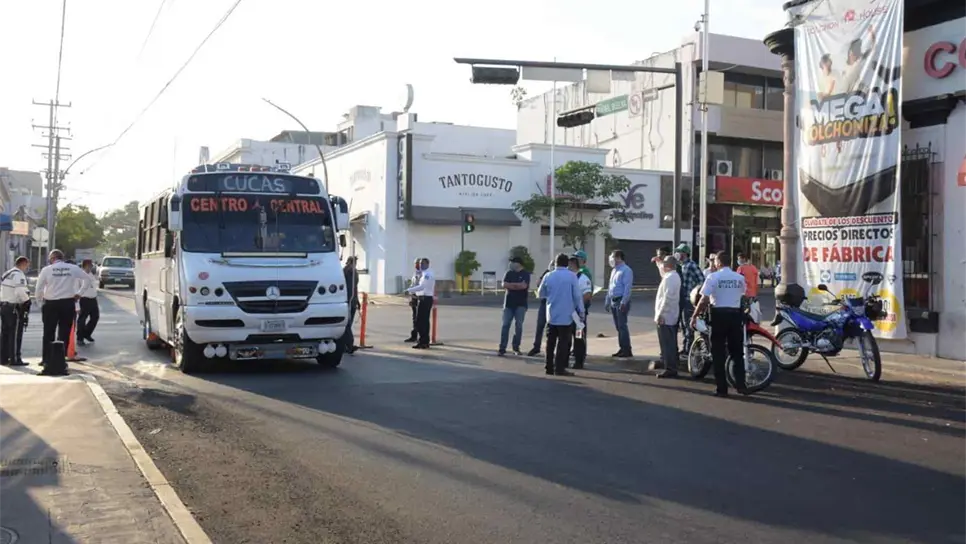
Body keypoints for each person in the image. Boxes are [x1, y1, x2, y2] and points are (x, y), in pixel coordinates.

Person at [690, 251, 748, 397]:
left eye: (715, 261)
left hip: (718, 316)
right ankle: (741, 385)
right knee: (737, 353)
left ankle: (722, 388)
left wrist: (695, 315)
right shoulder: (739, 278)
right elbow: (743, 295)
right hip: (735, 316)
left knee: (718, 353)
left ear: (719, 262)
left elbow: (703, 300)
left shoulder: (713, 277)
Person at [35, 249, 91, 376]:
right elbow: (87, 280)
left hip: (50, 303)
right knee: (64, 333)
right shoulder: (72, 268)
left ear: (52, 258)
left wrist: (40, 303)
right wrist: (79, 294)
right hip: (67, 303)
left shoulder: (47, 270)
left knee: (48, 333)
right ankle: (61, 360)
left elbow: (39, 288)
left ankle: (46, 359)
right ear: (62, 257)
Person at [537, 253, 583, 376]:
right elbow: (577, 296)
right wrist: (578, 309)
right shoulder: (571, 276)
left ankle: (548, 367)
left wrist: (551, 296)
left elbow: (540, 293)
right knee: (563, 343)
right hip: (566, 315)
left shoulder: (548, 275)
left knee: (550, 342)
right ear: (566, 263)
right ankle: (559, 368)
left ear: (555, 263)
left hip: (551, 314)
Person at [674, 244, 704, 357]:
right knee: (683, 325)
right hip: (681, 299)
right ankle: (685, 347)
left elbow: (702, 280)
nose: (677, 254)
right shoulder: (680, 266)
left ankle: (688, 349)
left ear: (685, 253)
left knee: (688, 325)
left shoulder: (691, 265)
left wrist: (695, 292)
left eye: (680, 252)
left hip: (688, 300)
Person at [0, 256, 31, 366]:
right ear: (23, 264)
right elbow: (20, 291)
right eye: (27, 265)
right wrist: (27, 301)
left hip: (4, 306)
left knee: (5, 334)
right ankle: (15, 359)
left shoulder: (7, 273)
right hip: (14, 307)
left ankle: (3, 358)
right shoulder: (18, 275)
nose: (27, 268)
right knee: (15, 334)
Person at [655, 256, 682, 378]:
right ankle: (671, 366)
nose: (663, 265)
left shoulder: (670, 278)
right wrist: (658, 263)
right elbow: (662, 272)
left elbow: (667, 298)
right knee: (668, 343)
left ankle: (670, 368)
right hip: (669, 314)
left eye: (664, 263)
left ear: (669, 265)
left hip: (666, 316)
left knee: (667, 344)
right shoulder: (671, 276)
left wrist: (660, 313)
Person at [498, 256, 531, 356]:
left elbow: (524, 286)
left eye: (512, 262)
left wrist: (511, 285)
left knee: (519, 326)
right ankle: (502, 347)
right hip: (508, 304)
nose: (511, 264)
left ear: (518, 263)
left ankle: (516, 347)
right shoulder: (509, 273)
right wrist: (517, 285)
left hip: (521, 304)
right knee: (505, 325)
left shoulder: (525, 274)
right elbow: (504, 284)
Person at [605, 249, 634, 358]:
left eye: (612, 257)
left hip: (620, 300)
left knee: (622, 326)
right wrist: (607, 300)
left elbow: (627, 288)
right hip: (613, 300)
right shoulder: (614, 270)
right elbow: (610, 286)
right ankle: (622, 348)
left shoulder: (626, 270)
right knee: (618, 327)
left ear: (618, 258)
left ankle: (627, 350)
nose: (611, 259)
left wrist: (623, 302)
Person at [567, 255, 593, 369]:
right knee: (566, 337)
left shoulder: (583, 278)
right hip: (567, 314)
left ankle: (579, 361)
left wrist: (576, 304)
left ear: (573, 265)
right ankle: (564, 360)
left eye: (569, 265)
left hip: (578, 315)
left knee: (578, 337)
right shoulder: (567, 278)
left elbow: (587, 295)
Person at [526, 260, 555, 357]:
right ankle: (536, 346)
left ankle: (551, 348)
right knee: (540, 325)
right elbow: (538, 283)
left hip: (554, 304)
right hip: (544, 303)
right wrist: (547, 270)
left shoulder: (560, 275)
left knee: (553, 328)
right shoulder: (547, 274)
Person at [405, 258, 435, 349]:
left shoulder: (427, 274)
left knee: (421, 322)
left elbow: (422, 286)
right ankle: (424, 341)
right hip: (422, 298)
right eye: (420, 264)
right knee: (422, 321)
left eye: (423, 264)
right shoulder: (423, 274)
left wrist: (409, 290)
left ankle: (423, 341)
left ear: (428, 264)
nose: (421, 265)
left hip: (425, 298)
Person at [76, 259, 99, 346]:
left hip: (93, 299)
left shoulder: (91, 274)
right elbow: (76, 290)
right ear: (85, 266)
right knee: (82, 319)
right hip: (84, 299)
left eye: (91, 266)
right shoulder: (79, 276)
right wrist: (77, 306)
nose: (90, 267)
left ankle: (87, 333)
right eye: (89, 266)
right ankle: (80, 338)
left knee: (95, 317)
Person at [342, 256, 360, 354]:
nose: (354, 265)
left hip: (352, 301)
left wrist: (357, 301)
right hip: (347, 301)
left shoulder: (354, 273)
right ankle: (349, 344)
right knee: (347, 324)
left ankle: (346, 345)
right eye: (353, 263)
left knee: (349, 324)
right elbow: (347, 288)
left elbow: (355, 288)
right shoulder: (345, 272)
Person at [405, 258, 422, 343]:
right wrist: (410, 294)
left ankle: (421, 336)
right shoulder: (415, 273)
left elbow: (421, 286)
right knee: (414, 317)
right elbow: (413, 284)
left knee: (420, 318)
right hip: (414, 296)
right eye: (415, 263)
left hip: (419, 297)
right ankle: (414, 335)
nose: (416, 265)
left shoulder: (423, 274)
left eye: (417, 263)